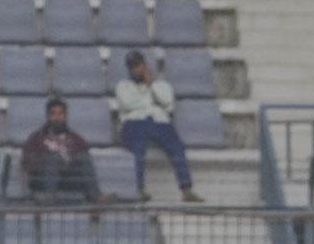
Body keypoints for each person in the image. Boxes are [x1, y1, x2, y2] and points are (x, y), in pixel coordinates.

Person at [114, 50, 202, 203]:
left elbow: (167, 102)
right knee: (138, 149)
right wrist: (151, 102)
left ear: (145, 65)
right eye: (132, 67)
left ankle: (187, 190)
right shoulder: (123, 86)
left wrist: (152, 85)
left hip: (159, 122)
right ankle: (139, 189)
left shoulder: (162, 85)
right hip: (134, 122)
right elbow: (127, 104)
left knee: (176, 147)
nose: (135, 70)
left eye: (137, 66)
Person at [20, 97, 106, 204]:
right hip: (44, 181)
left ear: (66, 116)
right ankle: (48, 197)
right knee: (54, 156)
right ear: (48, 116)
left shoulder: (77, 139)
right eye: (53, 114)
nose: (57, 118)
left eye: (60, 114)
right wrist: (45, 160)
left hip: (68, 181)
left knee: (83, 157)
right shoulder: (37, 138)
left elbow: (84, 163)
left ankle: (96, 197)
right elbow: (26, 162)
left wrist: (67, 164)